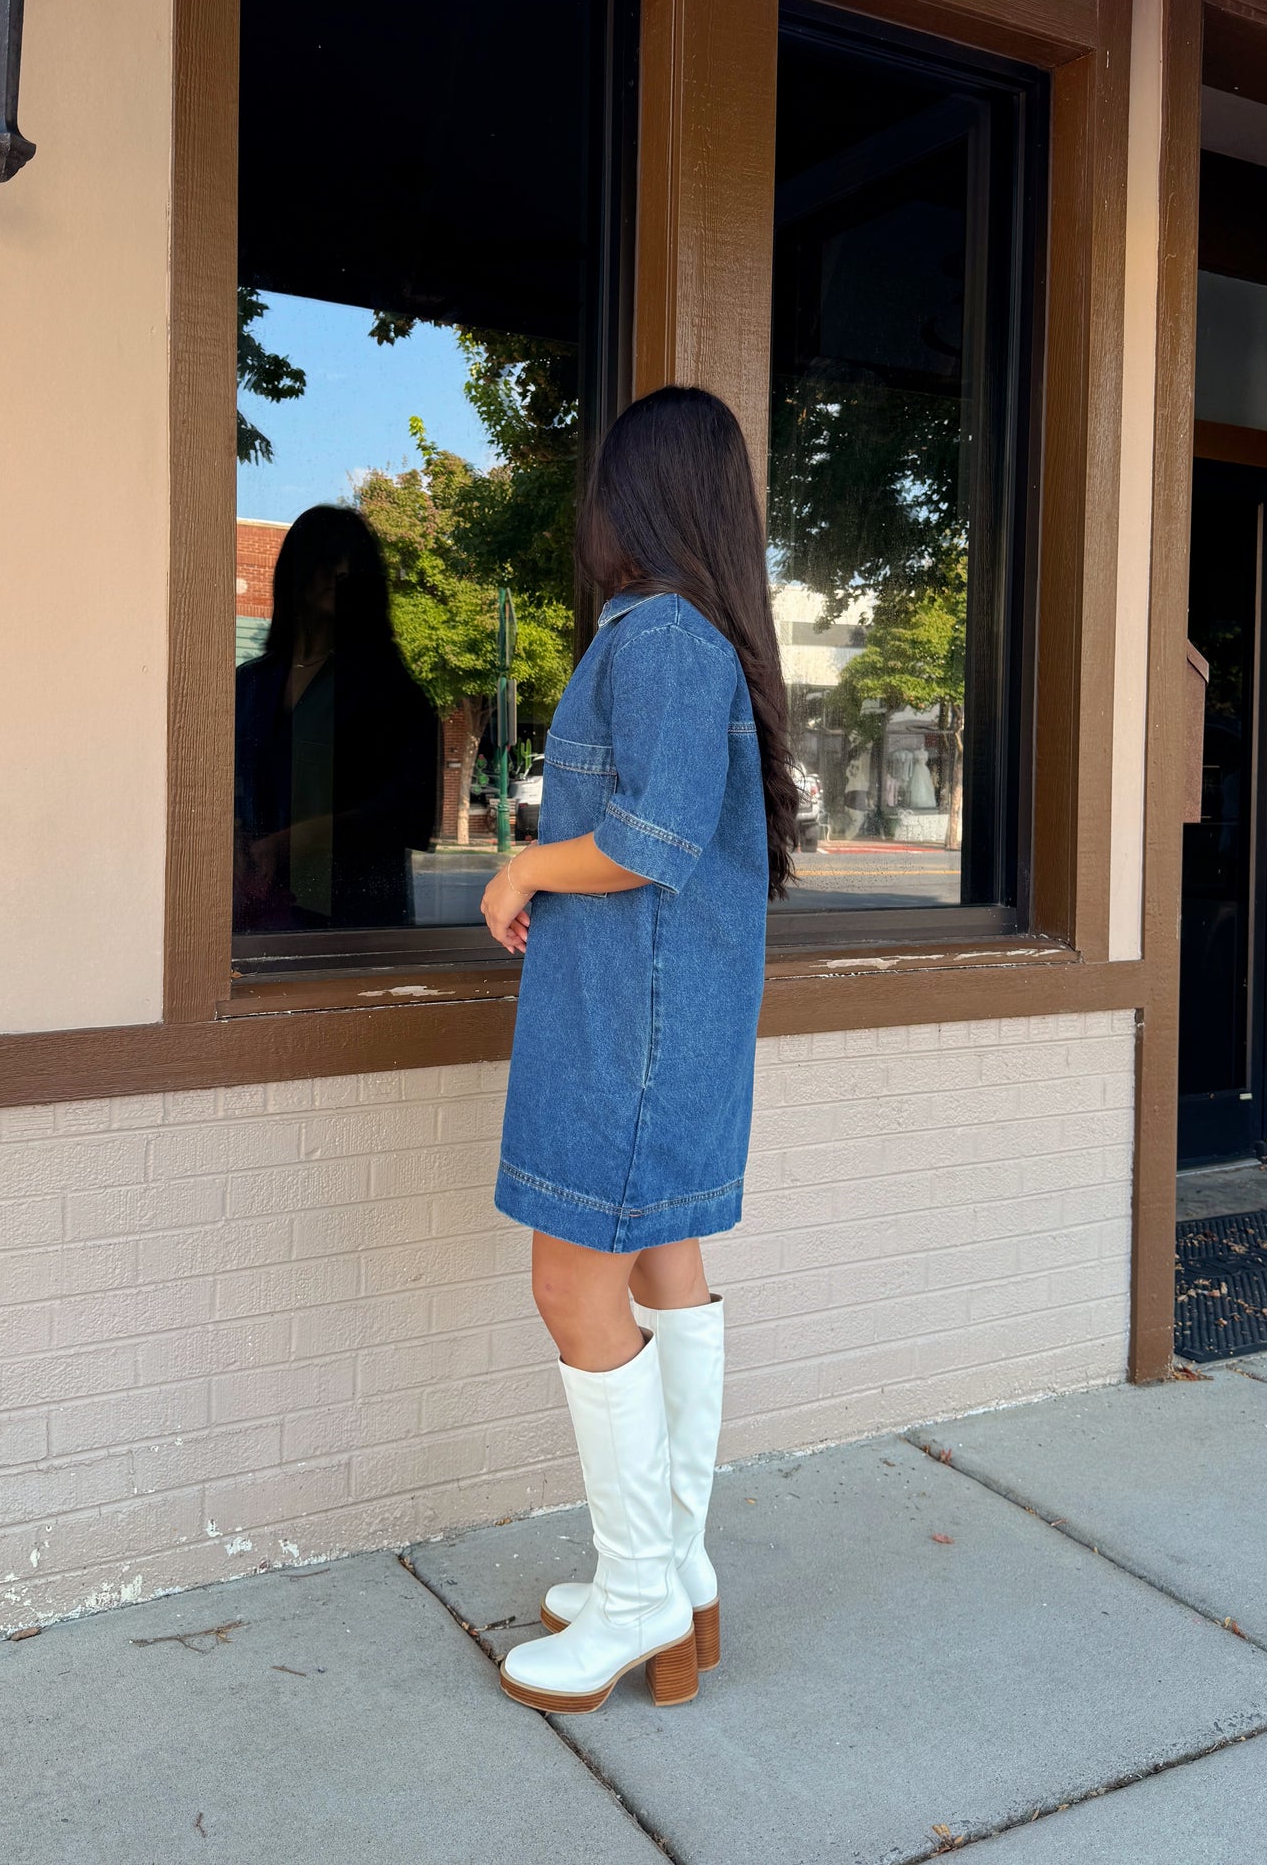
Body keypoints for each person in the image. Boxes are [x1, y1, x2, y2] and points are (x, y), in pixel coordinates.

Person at [479, 386, 800, 1713]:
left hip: (633, 1026)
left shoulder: (661, 637)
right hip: (669, 1020)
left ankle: (638, 1595)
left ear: (640, 496)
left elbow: (646, 842)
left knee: (572, 1284)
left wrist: (520, 864)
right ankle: (675, 1566)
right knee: (665, 1258)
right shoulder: (700, 639)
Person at [233, 505, 438, 935]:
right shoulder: (248, 686)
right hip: (251, 925)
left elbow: (410, 814)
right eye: (327, 557)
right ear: (297, 569)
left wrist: (293, 841)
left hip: (354, 931)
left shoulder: (392, 693)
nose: (340, 571)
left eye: (352, 562)